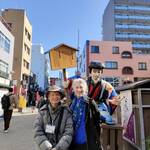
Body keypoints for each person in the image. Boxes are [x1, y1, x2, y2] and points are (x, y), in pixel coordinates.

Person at [34, 85, 73, 150]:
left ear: (61, 97)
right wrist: (47, 146)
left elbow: (68, 133)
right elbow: (37, 131)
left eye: (57, 94)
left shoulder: (66, 112)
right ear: (48, 97)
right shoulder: (42, 111)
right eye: (52, 95)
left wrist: (58, 148)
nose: (55, 97)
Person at [69, 78, 101, 150]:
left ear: (85, 89)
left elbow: (97, 120)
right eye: (77, 87)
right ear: (73, 89)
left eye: (81, 87)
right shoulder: (71, 104)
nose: (79, 90)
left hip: (87, 141)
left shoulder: (90, 103)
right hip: (73, 140)